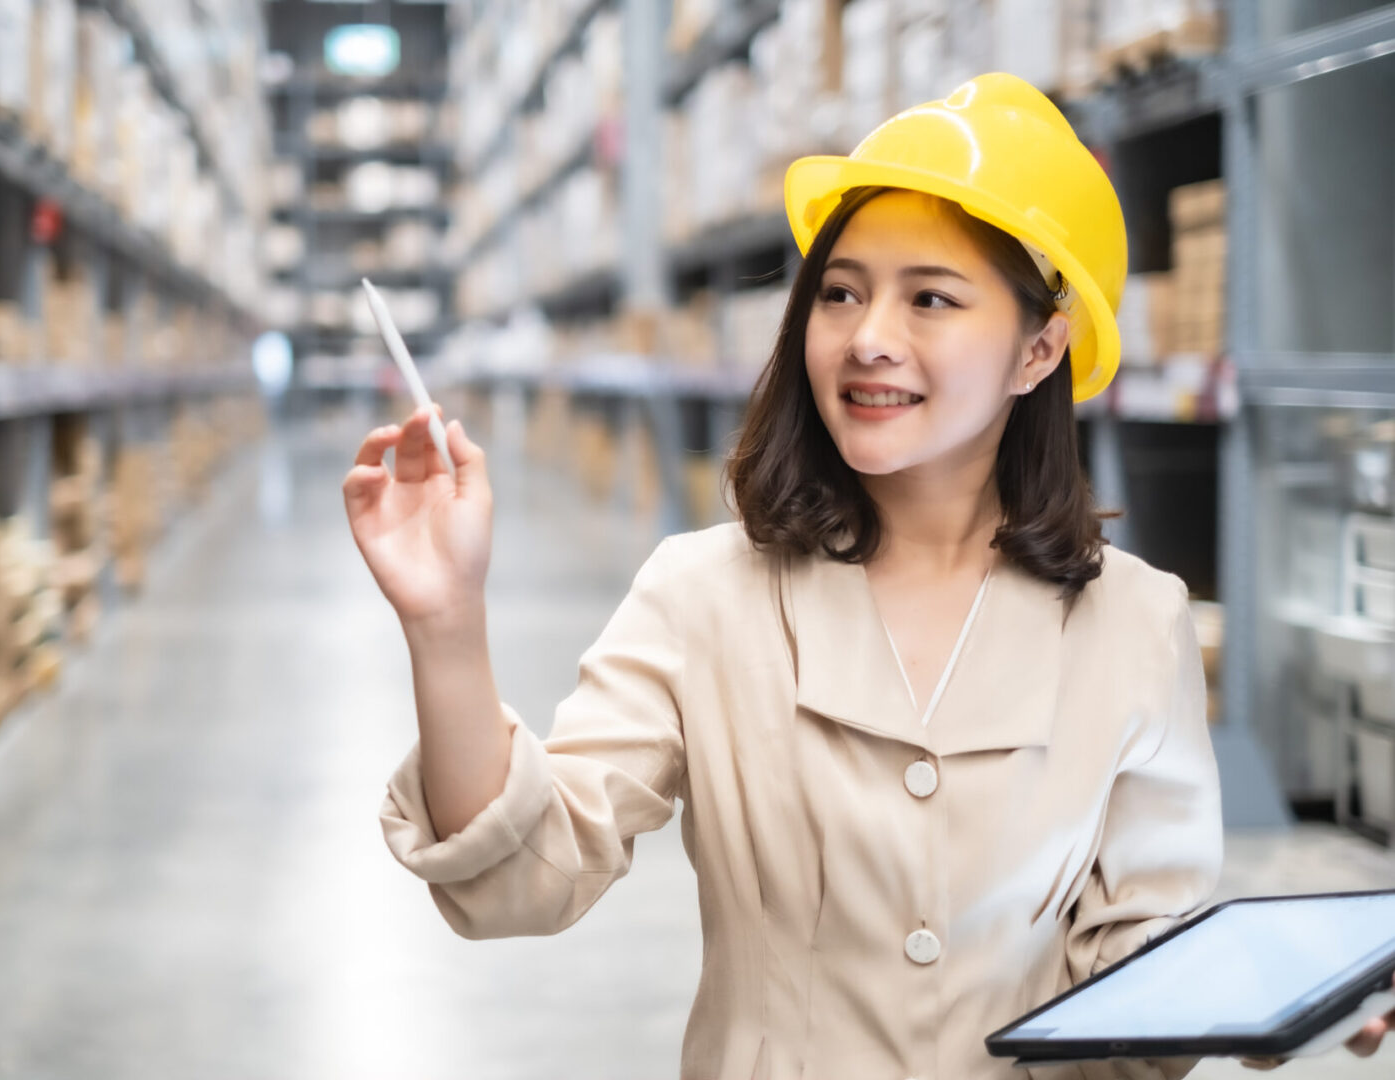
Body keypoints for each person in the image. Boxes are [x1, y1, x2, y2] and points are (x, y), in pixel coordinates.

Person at [343, 73, 1392, 1078]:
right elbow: (524, 879)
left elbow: (1130, 981)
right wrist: (447, 626)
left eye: (932, 299)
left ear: (1041, 350)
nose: (868, 339)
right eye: (840, 294)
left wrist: (1270, 1004)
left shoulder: (1133, 622)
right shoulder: (704, 597)